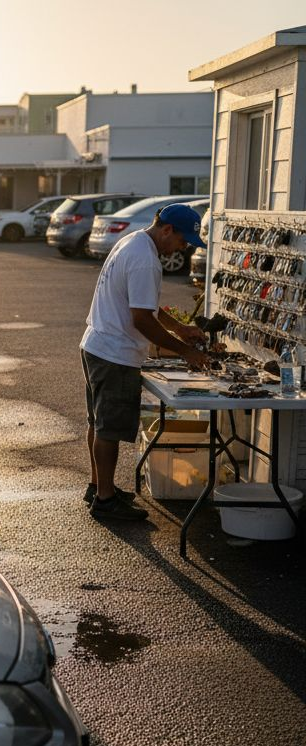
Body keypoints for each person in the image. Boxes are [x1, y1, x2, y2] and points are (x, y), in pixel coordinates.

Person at [80, 203, 211, 521]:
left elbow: (144, 306)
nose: (182, 248)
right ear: (167, 230)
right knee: (108, 429)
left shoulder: (133, 240)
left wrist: (179, 328)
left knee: (98, 424)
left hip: (97, 344)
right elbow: (141, 319)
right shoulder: (145, 260)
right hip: (115, 353)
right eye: (182, 241)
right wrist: (186, 351)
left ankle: (98, 487)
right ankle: (105, 501)